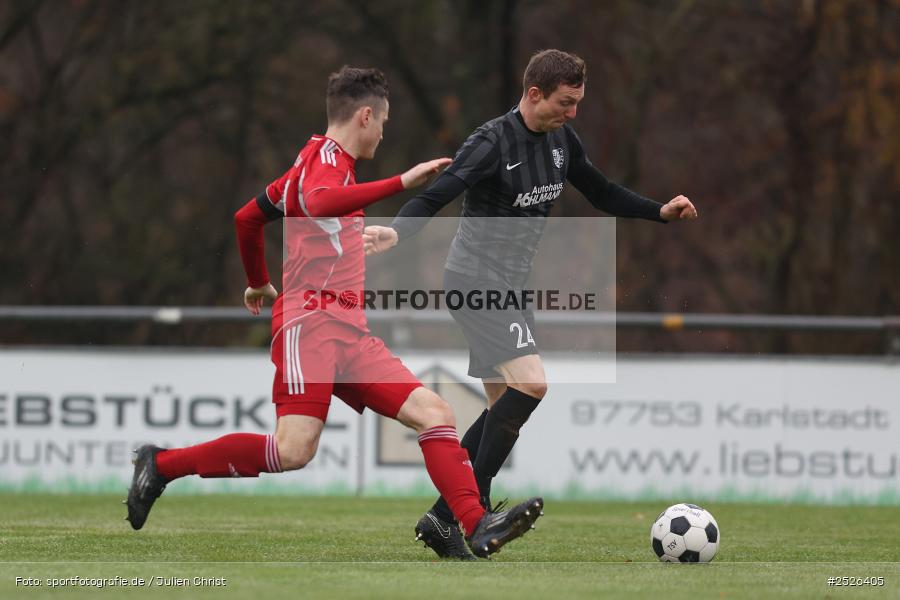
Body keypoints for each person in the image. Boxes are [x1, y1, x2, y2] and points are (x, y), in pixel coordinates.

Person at [124, 66, 543, 559]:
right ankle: (162, 464)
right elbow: (320, 202)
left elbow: (248, 217)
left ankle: (476, 524)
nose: (384, 132)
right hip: (311, 325)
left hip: (348, 330)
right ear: (366, 115)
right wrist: (400, 182)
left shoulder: (315, 166)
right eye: (383, 121)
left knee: (435, 413)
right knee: (293, 450)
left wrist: (257, 278)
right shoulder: (323, 163)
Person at [363, 49, 698, 559]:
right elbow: (438, 195)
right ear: (534, 93)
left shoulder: (563, 140)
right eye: (566, 102)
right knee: (532, 384)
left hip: (512, 287)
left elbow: (602, 192)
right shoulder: (492, 141)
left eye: (579, 103)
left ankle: (443, 517)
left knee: (503, 409)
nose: (573, 113)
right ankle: (473, 516)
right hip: (476, 280)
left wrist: (660, 212)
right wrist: (396, 232)